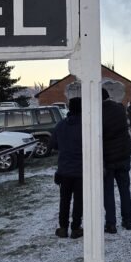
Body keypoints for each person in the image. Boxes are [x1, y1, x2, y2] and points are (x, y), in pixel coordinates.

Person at [50, 96, 83, 239]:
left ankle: (63, 227)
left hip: (64, 169)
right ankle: (76, 228)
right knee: (79, 200)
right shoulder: (86, 125)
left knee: (64, 200)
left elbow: (53, 145)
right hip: (81, 170)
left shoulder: (60, 125)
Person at [102, 88, 131, 232]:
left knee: (108, 192)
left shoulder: (98, 113)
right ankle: (127, 220)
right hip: (123, 155)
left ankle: (111, 223)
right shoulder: (120, 109)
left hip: (108, 158)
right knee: (124, 190)